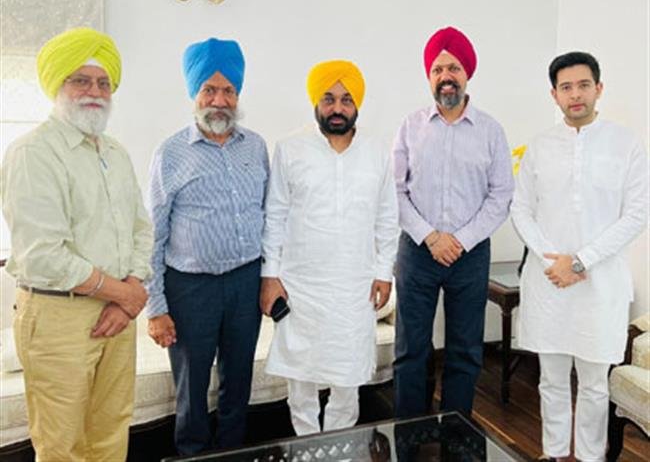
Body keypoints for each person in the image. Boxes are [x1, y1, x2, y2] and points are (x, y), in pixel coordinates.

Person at [1, 27, 152, 461]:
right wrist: (125, 294)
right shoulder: (33, 153)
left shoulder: (115, 152)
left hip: (117, 313)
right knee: (62, 445)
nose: (94, 92)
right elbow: (44, 255)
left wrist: (127, 296)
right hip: (58, 316)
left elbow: (141, 228)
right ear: (57, 85)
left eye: (104, 83)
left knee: (111, 433)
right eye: (81, 80)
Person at [511, 51, 648, 462]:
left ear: (598, 89)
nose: (575, 95)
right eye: (566, 87)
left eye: (583, 85)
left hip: (599, 284)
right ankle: (554, 453)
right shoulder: (540, 146)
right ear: (554, 95)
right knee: (551, 379)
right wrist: (552, 260)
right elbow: (521, 209)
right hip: (549, 282)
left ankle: (590, 457)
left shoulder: (626, 144)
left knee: (594, 384)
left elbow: (637, 214)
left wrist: (581, 260)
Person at [260, 59, 399, 435]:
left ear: (357, 104)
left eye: (346, 99)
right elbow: (275, 216)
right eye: (329, 99)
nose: (337, 108)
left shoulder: (376, 150)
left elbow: (387, 217)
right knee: (300, 379)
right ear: (316, 102)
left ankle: (342, 451)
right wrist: (269, 276)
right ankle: (306, 448)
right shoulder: (290, 148)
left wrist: (384, 272)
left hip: (355, 286)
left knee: (348, 377)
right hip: (300, 284)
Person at [145, 37, 269, 454]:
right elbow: (152, 235)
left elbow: (268, 215)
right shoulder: (170, 154)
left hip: (245, 283)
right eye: (209, 90)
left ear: (238, 94)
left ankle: (235, 452)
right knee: (192, 387)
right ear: (194, 94)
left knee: (239, 381)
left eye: (228, 90)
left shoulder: (256, 147)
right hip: (190, 289)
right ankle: (192, 455)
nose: (219, 100)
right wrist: (156, 307)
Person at [392, 26, 514, 417]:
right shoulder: (410, 126)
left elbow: (501, 195)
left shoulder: (491, 131)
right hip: (417, 250)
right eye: (438, 69)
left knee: (465, 350)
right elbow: (394, 191)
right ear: (429, 76)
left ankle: (457, 435)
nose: (446, 76)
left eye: (454, 68)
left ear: (467, 74)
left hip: (470, 254)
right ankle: (410, 436)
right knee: (410, 350)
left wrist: (460, 240)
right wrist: (431, 237)